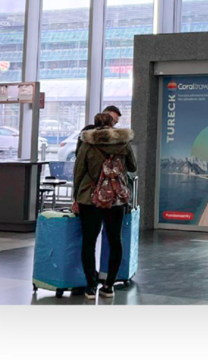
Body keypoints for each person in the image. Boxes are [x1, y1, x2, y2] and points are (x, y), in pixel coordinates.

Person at [72, 112, 137, 300]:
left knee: (89, 242)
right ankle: (109, 286)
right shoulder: (124, 143)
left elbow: (78, 172)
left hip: (89, 199)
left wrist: (76, 197)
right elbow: (133, 167)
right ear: (113, 124)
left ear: (95, 124)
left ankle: (91, 287)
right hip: (115, 200)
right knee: (115, 240)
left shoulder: (87, 143)